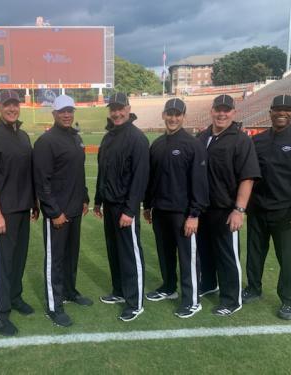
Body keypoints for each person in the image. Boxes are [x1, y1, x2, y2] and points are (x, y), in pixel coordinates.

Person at [243, 94, 291, 320]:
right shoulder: (257, 142)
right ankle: (253, 288)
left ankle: (290, 299)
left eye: (287, 110)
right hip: (257, 209)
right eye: (277, 109)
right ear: (270, 112)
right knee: (255, 253)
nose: (281, 113)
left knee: (287, 259)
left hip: (286, 212)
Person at [0, 90, 39, 336]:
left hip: (23, 208)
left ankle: (15, 297)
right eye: (7, 105)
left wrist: (34, 202)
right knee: (3, 263)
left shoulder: (23, 136)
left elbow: (29, 173)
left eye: (15, 104)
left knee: (18, 259)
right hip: (4, 212)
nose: (12, 109)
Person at [143, 98, 209, 318]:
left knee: (187, 256)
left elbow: (199, 183)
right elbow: (152, 179)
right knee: (165, 252)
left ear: (183, 117)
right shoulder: (158, 144)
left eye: (177, 114)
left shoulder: (193, 145)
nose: (173, 118)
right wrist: (148, 205)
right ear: (163, 115)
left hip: (183, 213)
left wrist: (194, 214)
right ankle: (169, 287)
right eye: (169, 114)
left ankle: (192, 299)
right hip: (160, 210)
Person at [197, 94, 261, 316]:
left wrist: (239, 209)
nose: (221, 113)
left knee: (227, 255)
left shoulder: (240, 139)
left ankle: (231, 299)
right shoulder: (202, 136)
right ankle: (208, 284)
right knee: (205, 252)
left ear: (233, 113)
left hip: (226, 209)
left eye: (226, 110)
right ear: (212, 111)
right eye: (218, 109)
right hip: (203, 208)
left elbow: (248, 177)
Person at [33, 94, 92, 327]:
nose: (67, 115)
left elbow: (78, 172)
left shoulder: (75, 137)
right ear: (54, 114)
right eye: (62, 111)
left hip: (75, 208)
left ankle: (69, 291)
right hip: (58, 213)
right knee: (55, 260)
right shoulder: (46, 142)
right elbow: (42, 181)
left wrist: (85, 196)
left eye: (70, 110)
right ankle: (53, 305)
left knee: (71, 256)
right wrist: (53, 211)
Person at [94, 92, 149, 322]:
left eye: (120, 108)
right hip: (110, 204)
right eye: (113, 109)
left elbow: (140, 177)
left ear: (128, 108)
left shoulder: (137, 138)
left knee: (129, 254)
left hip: (126, 208)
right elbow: (103, 171)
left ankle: (135, 302)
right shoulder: (109, 137)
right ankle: (119, 291)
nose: (116, 113)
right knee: (114, 251)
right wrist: (98, 199)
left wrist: (129, 210)